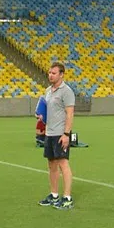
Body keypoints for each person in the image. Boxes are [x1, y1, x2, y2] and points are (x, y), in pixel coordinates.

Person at [38, 62, 76, 210]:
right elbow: (49, 110)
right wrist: (41, 116)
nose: (50, 75)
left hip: (61, 133)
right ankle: (54, 195)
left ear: (61, 74)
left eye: (54, 73)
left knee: (63, 163)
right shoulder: (48, 90)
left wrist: (66, 134)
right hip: (49, 132)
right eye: (49, 73)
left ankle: (67, 198)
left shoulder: (66, 91)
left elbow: (70, 113)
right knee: (51, 164)